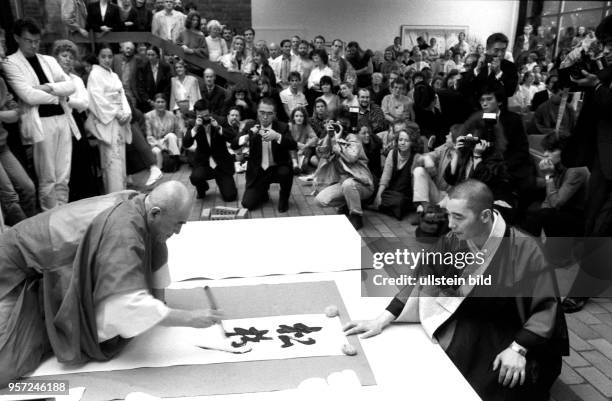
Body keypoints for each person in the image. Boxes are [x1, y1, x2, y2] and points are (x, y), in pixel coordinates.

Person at [345, 179, 568, 401]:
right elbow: (423, 277)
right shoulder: (455, 239)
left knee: (494, 385)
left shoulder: (526, 249)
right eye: (449, 215)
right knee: (434, 369)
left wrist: (519, 349)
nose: (450, 224)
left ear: (484, 216)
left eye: (458, 217)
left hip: (512, 330)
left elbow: (547, 307)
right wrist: (382, 319)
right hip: (471, 318)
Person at [0, 181, 224, 387]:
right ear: (156, 212)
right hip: (17, 267)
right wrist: (187, 318)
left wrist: (159, 301)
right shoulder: (123, 231)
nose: (178, 232)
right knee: (7, 363)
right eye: (178, 224)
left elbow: (157, 247)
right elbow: (125, 306)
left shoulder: (142, 205)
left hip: (47, 260)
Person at [3, 19, 78, 211]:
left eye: (37, 41)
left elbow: (71, 86)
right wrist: (57, 96)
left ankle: (63, 211)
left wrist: (47, 87)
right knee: (48, 176)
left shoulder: (49, 60)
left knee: (63, 174)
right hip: (40, 122)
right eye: (29, 41)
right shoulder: (11, 62)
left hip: (62, 118)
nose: (34, 45)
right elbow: (28, 95)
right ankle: (50, 216)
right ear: (17, 38)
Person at [52, 40, 100, 201]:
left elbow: (84, 103)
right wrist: (69, 99)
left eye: (71, 57)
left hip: (76, 122)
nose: (67, 59)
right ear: (56, 58)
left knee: (81, 159)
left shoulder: (77, 79)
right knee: (65, 163)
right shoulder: (52, 78)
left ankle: (86, 197)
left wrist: (66, 99)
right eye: (64, 55)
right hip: (58, 121)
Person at [232, 97, 297, 212]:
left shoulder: (282, 127)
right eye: (262, 113)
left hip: (277, 167)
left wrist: (277, 136)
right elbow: (234, 145)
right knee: (247, 204)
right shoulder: (250, 126)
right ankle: (262, 192)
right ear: (257, 112)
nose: (265, 117)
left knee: (286, 172)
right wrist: (247, 136)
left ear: (275, 114)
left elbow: (293, 145)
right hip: (258, 170)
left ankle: (284, 198)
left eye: (269, 113)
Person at [314, 117, 374, 230]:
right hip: (343, 183)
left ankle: (356, 216)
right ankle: (347, 203)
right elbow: (322, 153)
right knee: (320, 200)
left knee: (348, 184)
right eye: (334, 126)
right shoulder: (332, 139)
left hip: (362, 183)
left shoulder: (353, 139)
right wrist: (329, 135)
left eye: (337, 126)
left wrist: (337, 142)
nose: (335, 128)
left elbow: (351, 157)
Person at [87, 44, 132, 193]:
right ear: (98, 57)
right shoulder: (95, 75)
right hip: (108, 121)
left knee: (121, 159)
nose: (107, 60)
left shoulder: (114, 75)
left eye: (110, 56)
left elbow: (122, 94)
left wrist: (126, 112)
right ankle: (113, 195)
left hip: (119, 120)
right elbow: (96, 99)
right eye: (103, 56)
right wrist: (116, 112)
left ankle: (123, 191)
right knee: (111, 160)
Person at [0, 65, 35, 225]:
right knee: (10, 196)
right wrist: (4, 114)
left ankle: (31, 227)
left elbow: (15, 113)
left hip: (2, 145)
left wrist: (9, 113)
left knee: (28, 187)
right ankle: (23, 235)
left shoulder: (0, 81)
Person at [183, 99, 237, 201]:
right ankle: (203, 187)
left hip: (222, 164)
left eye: (206, 115)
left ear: (210, 112)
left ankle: (225, 183)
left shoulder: (220, 120)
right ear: (196, 114)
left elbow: (233, 138)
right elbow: (186, 144)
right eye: (201, 116)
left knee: (230, 197)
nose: (204, 118)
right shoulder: (193, 124)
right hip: (204, 163)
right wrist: (195, 128)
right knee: (195, 177)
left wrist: (218, 128)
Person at [372, 127, 421, 220]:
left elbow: (415, 184)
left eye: (406, 140)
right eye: (400, 140)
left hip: (404, 194)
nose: (402, 143)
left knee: (399, 202)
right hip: (390, 191)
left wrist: (417, 202)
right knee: (374, 192)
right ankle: (381, 205)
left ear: (412, 142)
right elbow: (386, 176)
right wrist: (378, 196)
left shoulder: (416, 157)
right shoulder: (392, 153)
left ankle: (381, 207)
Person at [145, 93, 181, 171]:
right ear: (154, 103)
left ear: (166, 103)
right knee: (157, 150)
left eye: (162, 102)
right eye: (158, 102)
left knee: (171, 135)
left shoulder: (171, 115)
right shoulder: (148, 116)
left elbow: (178, 132)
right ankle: (167, 166)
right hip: (155, 143)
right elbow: (149, 137)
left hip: (170, 142)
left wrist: (180, 144)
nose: (160, 104)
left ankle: (174, 161)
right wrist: (160, 146)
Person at [136, 45, 172, 112]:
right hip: (147, 102)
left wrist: (161, 100)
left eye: (153, 55)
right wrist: (149, 101)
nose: (150, 57)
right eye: (148, 55)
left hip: (162, 101)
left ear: (157, 55)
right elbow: (140, 87)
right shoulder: (142, 67)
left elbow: (168, 85)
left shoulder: (165, 67)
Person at [288, 106, 318, 173]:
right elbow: (286, 140)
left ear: (304, 118)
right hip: (292, 150)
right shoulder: (290, 126)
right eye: (296, 116)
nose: (299, 118)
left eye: (301, 116)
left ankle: (300, 167)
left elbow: (315, 138)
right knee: (291, 146)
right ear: (293, 117)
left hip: (303, 150)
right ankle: (295, 164)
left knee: (304, 166)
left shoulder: (306, 126)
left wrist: (305, 146)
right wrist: (297, 145)